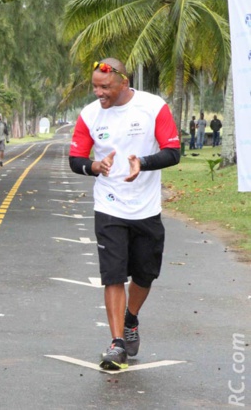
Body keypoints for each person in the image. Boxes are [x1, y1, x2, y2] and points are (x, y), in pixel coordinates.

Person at [68, 58, 180, 370]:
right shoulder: (90, 115)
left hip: (146, 208)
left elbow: (173, 152)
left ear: (124, 83)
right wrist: (94, 166)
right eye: (95, 87)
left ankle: (131, 318)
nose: (99, 93)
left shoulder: (153, 106)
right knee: (113, 274)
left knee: (145, 274)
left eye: (105, 87)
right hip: (109, 206)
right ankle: (117, 342)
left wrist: (141, 163)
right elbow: (75, 158)